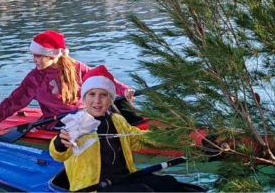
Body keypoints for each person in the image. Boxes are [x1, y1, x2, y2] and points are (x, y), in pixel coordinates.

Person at [0, 31, 135, 141]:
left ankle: (135, 127)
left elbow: (104, 81)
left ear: (52, 56)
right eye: (33, 55)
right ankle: (122, 135)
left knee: (114, 104)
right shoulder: (35, 78)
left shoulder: (76, 67)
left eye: (38, 56)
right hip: (58, 122)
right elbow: (10, 104)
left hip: (86, 113)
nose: (34, 60)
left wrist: (124, 90)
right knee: (100, 121)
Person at [52, 66, 189, 192]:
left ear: (111, 99)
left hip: (125, 177)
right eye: (92, 94)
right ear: (84, 97)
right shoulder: (75, 123)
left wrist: (171, 136)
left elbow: (139, 139)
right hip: (93, 187)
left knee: (168, 182)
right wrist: (59, 144)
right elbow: (58, 154)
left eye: (103, 95)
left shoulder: (117, 120)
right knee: (142, 191)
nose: (97, 100)